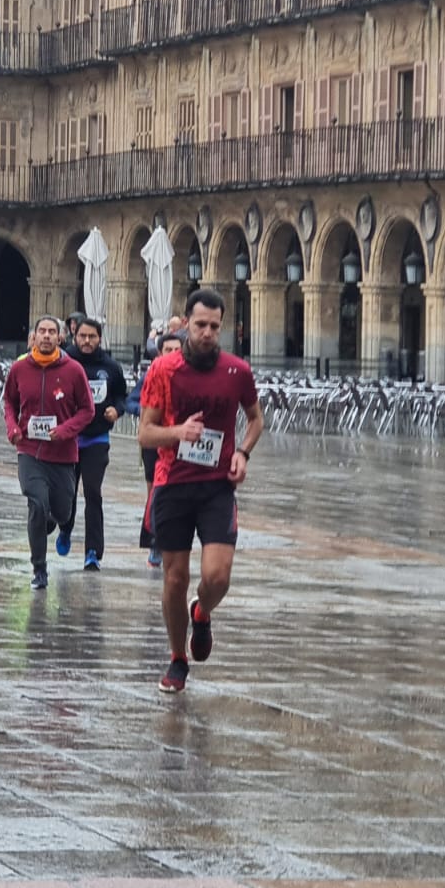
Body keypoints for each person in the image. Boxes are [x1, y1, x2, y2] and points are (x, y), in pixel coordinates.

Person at [139, 287, 264, 694]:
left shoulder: (237, 371)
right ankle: (178, 659)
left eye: (215, 326)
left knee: (218, 575)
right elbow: (145, 433)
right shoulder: (164, 370)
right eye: (200, 325)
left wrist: (243, 452)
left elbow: (255, 418)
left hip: (216, 487)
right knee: (174, 579)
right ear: (187, 323)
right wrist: (179, 432)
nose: (207, 333)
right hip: (172, 484)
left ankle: (203, 611)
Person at [3, 315, 95, 589]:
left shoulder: (74, 370)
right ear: (34, 336)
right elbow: (9, 401)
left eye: (51, 332)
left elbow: (87, 410)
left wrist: (65, 431)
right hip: (29, 450)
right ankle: (39, 568)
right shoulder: (19, 369)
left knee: (62, 513)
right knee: (37, 504)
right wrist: (12, 428)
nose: (46, 336)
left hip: (63, 454)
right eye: (41, 331)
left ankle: (52, 521)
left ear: (60, 337)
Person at [61, 316, 127, 569]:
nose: (87, 341)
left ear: (100, 338)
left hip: (97, 438)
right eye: (83, 337)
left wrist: (116, 410)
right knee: (67, 493)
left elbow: (121, 395)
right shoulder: (65, 361)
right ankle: (65, 528)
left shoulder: (110, 366)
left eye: (93, 337)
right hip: (68, 439)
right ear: (75, 336)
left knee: (93, 493)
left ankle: (92, 552)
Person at [128, 328, 185, 568]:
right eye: (168, 350)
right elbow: (130, 400)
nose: (172, 354)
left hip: (184, 443)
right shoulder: (152, 374)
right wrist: (145, 410)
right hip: (154, 442)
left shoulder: (190, 377)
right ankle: (155, 543)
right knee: (155, 493)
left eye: (176, 350)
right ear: (159, 352)